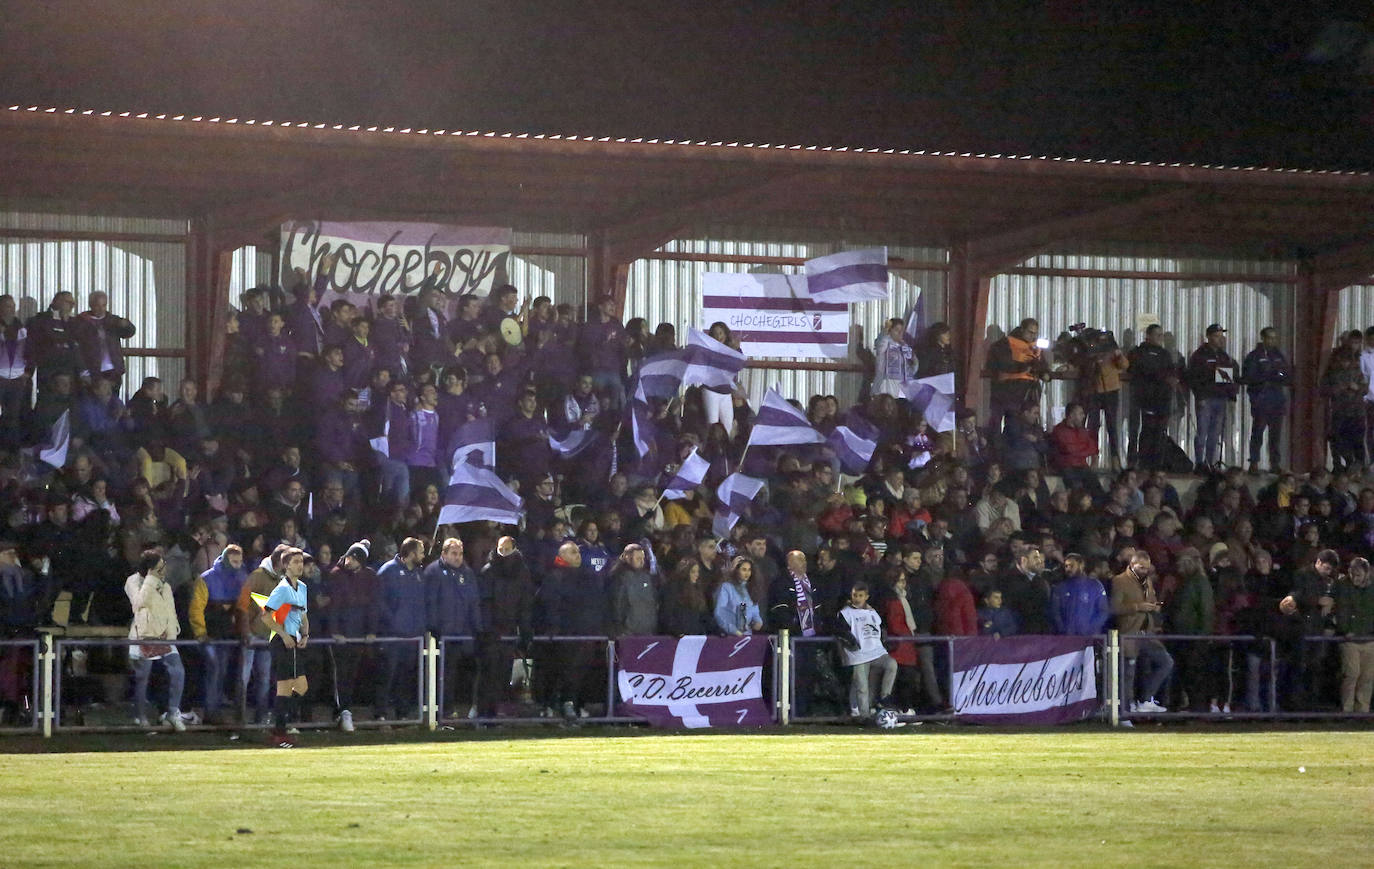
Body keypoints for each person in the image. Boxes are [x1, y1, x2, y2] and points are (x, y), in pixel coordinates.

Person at [125, 550, 187, 731]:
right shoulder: (133, 581)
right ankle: (140, 716)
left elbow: (170, 610)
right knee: (142, 677)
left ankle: (173, 712)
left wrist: (172, 633)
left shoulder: (165, 586)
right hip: (143, 635)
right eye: (159, 569)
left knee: (178, 671)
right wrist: (150, 581)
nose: (163, 572)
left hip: (164, 637)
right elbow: (138, 604)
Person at [188, 544, 247, 724]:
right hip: (210, 635)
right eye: (234, 561)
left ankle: (214, 711)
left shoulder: (242, 579)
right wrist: (200, 633)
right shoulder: (206, 579)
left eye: (239, 562)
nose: (237, 565)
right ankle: (211, 711)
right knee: (214, 669)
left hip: (227, 636)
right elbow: (196, 609)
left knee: (221, 672)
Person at [424, 537, 482, 719]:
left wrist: (477, 628)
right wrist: (433, 628)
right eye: (454, 554)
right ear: (444, 554)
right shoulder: (433, 572)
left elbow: (474, 603)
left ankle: (462, 709)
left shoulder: (468, 573)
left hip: (463, 633)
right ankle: (442, 711)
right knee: (443, 674)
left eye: (460, 554)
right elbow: (430, 602)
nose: (458, 558)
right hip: (442, 634)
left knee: (459, 674)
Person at [1110, 552, 1173, 714]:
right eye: (1141, 567)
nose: (1145, 570)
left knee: (1166, 662)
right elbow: (1115, 608)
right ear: (1132, 565)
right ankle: (1125, 712)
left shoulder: (1148, 581)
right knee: (1127, 675)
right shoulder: (1120, 581)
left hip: (1146, 632)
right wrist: (1138, 607)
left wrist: (1154, 606)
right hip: (1130, 632)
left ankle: (1144, 700)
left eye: (1147, 568)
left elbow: (1151, 600)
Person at [260, 547, 309, 748]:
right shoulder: (281, 589)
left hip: (295, 639)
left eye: (301, 561)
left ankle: (279, 724)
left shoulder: (303, 587)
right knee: (286, 687)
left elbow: (303, 615)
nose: (300, 565)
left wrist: (305, 634)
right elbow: (266, 615)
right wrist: (283, 635)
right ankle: (279, 732)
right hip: (283, 641)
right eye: (296, 561)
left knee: (301, 687)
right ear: (286, 565)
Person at [378, 537, 427, 721]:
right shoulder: (388, 571)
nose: (423, 555)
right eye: (421, 551)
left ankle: (402, 715)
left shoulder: (418, 574)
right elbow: (380, 602)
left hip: (412, 636)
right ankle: (380, 715)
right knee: (386, 677)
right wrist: (393, 623)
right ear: (412, 553)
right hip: (392, 636)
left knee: (405, 678)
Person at [836, 579, 897, 718]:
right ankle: (864, 716)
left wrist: (884, 641)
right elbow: (840, 631)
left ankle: (885, 696)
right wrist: (850, 641)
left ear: (866, 597)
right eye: (855, 596)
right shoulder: (846, 613)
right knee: (862, 687)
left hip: (875, 651)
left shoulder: (872, 612)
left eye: (860, 596)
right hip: (858, 654)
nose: (857, 599)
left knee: (891, 664)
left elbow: (880, 628)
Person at [1241, 326, 1290, 475]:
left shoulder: (1279, 356)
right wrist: (1267, 377)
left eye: (1274, 338)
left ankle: (1274, 463)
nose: (1272, 341)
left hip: (1276, 400)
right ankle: (1254, 463)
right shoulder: (1254, 356)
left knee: (1275, 435)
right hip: (1261, 400)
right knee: (1258, 432)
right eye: (1269, 337)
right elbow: (1249, 377)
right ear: (1263, 338)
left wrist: (1277, 375)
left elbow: (1286, 374)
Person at [987, 318, 1048, 431]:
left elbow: (1042, 364)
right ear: (1022, 330)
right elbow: (999, 364)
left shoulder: (1036, 346)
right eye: (1030, 332)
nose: (1032, 336)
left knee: (1028, 424)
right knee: (1012, 424)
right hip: (1009, 391)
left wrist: (1045, 373)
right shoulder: (1005, 343)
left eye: (1035, 333)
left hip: (1030, 391)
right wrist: (1020, 364)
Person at [1334, 556, 1374, 713]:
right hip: (1349, 638)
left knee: (1368, 676)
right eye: (1352, 574)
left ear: (1366, 573)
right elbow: (1342, 610)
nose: (1354, 578)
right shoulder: (1343, 586)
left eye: (1358, 575)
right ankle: (1347, 710)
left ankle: (1362, 710)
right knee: (1351, 674)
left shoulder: (1372, 589)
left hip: (1369, 637)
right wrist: (1345, 629)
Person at [1050, 553, 1110, 636]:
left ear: (1081, 565)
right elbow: (1056, 612)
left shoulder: (1095, 586)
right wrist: (1063, 629)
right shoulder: (1061, 588)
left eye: (1071, 566)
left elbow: (1103, 611)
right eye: (1066, 566)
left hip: (1090, 638)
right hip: (1067, 639)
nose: (1068, 569)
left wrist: (1091, 628)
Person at [610, 543, 657, 637]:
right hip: (628, 633)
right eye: (638, 558)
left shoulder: (647, 577)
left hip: (647, 631)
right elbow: (617, 605)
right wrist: (621, 628)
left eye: (643, 558)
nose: (642, 561)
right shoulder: (619, 578)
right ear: (627, 558)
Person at [714, 556, 763, 636]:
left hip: (747, 635)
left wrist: (758, 621)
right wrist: (733, 630)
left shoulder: (751, 589)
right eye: (744, 570)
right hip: (729, 636)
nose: (747, 573)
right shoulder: (726, 587)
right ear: (736, 571)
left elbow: (755, 611)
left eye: (749, 570)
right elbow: (719, 613)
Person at [874, 317, 916, 399]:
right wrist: (885, 331)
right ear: (890, 331)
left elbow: (913, 364)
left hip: (903, 388)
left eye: (902, 331)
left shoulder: (904, 345)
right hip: (887, 386)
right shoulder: (885, 342)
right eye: (897, 330)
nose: (900, 333)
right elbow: (880, 344)